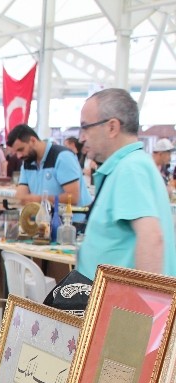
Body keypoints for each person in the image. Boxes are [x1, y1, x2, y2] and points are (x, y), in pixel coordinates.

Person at [76, 88, 176, 278]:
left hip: (122, 306)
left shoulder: (131, 168)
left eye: (85, 127)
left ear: (112, 127)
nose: (82, 137)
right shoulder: (128, 166)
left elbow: (152, 239)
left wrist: (144, 304)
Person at [6, 124, 92, 209]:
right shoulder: (27, 162)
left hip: (75, 220)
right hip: (45, 220)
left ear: (33, 140)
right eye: (16, 152)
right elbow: (21, 196)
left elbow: (73, 197)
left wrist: (39, 199)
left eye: (21, 150)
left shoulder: (62, 157)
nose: (19, 156)